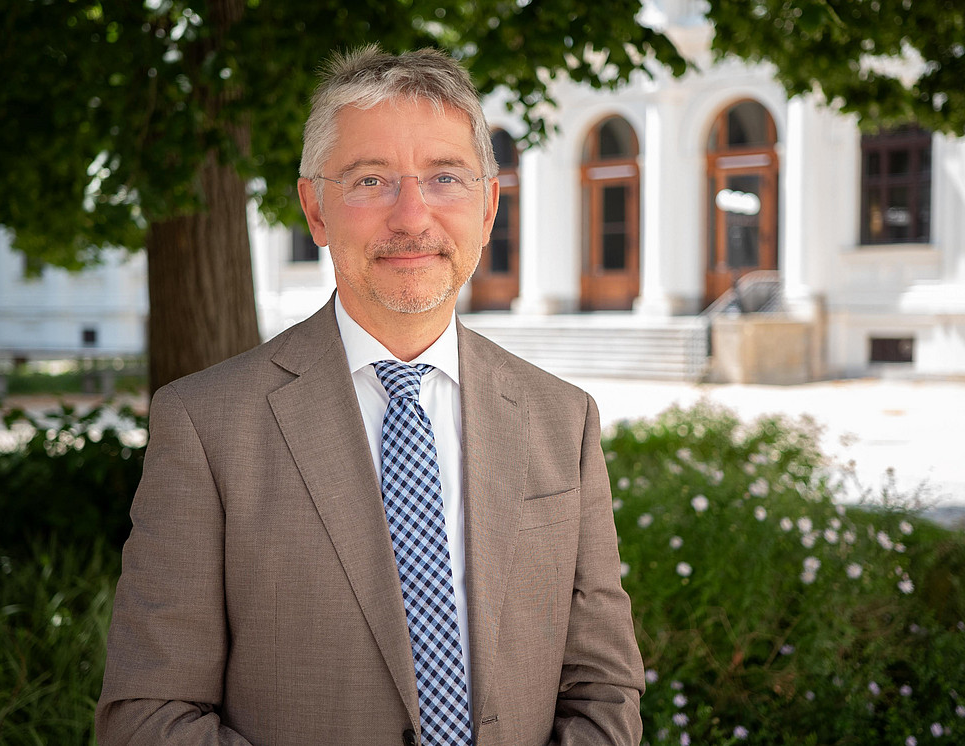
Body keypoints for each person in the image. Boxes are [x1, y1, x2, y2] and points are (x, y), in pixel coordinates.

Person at [96, 45, 645, 745]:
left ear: (488, 207)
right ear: (316, 210)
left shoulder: (562, 421)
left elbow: (603, 691)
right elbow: (147, 718)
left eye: (445, 177)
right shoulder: (206, 426)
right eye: (370, 180)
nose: (411, 216)